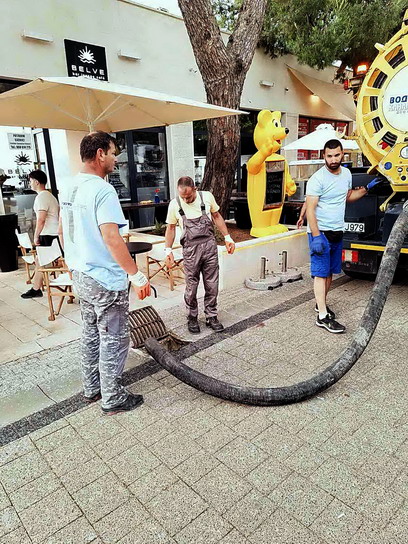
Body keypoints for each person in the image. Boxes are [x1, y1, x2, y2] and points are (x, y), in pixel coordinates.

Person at [59, 131, 151, 415]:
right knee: (114, 337)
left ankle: (92, 387)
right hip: (104, 279)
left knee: (90, 333)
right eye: (113, 153)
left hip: (81, 274)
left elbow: (62, 231)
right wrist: (135, 275)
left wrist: (72, 261)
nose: (115, 159)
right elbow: (112, 238)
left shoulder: (69, 186)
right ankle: (112, 397)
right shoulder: (103, 190)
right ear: (100, 154)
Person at [306, 139, 380, 333]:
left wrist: (367, 189)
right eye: (329, 156)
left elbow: (347, 197)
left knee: (330, 273)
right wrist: (316, 236)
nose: (333, 159)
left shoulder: (346, 174)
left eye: (336, 155)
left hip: (337, 231)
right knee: (320, 274)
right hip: (320, 232)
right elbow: (310, 210)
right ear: (323, 156)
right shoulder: (317, 179)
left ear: (342, 153)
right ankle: (322, 316)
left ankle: (320, 304)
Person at [165, 176, 235, 334]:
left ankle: (211, 316)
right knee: (191, 286)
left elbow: (217, 216)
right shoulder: (174, 204)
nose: (186, 199)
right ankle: (192, 317)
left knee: (212, 284)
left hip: (209, 247)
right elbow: (170, 228)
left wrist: (228, 237)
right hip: (190, 251)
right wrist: (167, 250)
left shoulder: (207, 197)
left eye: (189, 196)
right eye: (183, 197)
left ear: (195, 189)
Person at [21, 170, 60, 299]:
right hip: (53, 233)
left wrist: (36, 236)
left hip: (48, 234)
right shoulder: (50, 196)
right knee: (40, 260)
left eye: (31, 181)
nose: (30, 183)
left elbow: (41, 220)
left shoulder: (42, 197)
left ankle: (36, 289)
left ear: (36, 182)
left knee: (42, 261)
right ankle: (36, 288)